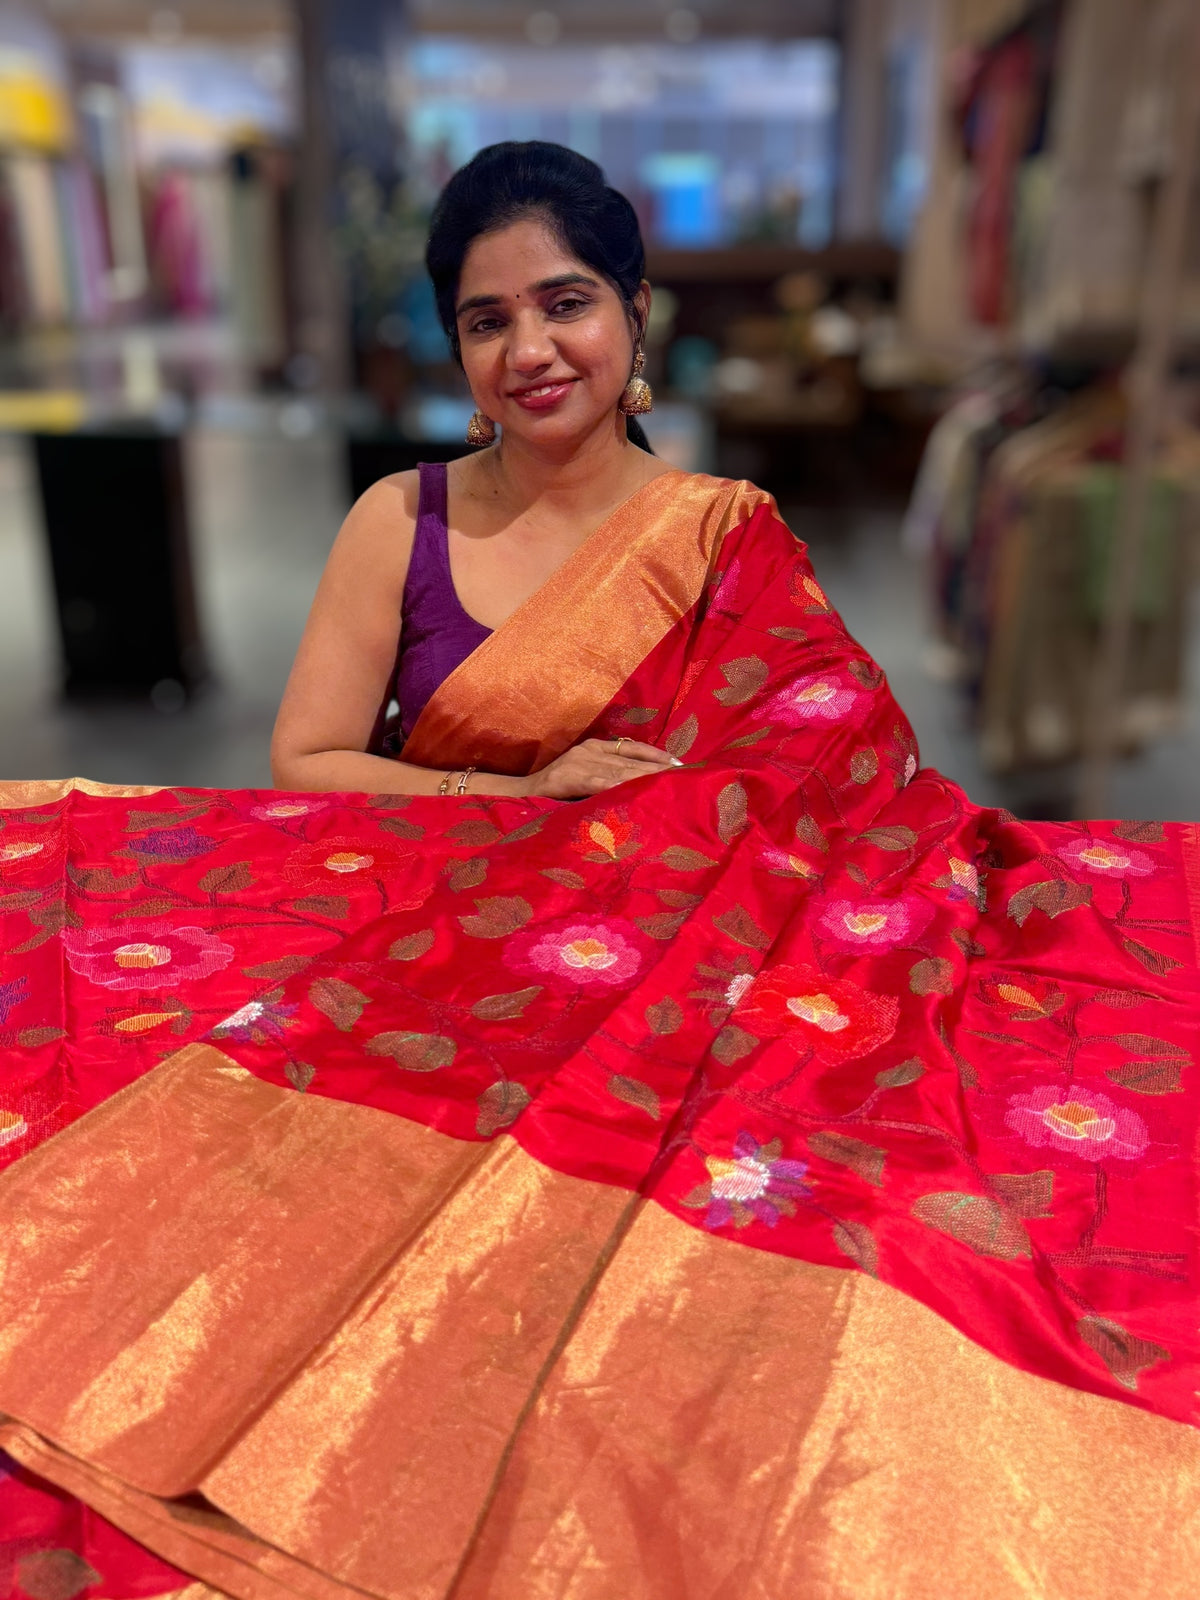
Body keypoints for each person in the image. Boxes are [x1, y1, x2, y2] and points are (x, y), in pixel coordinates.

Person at [0, 143, 1198, 1599]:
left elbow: (834, 775)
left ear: (636, 313)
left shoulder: (722, 538)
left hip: (685, 971)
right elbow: (309, 766)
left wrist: (668, 853)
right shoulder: (406, 521)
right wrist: (513, 795)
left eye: (562, 302)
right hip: (450, 950)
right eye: (484, 319)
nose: (529, 348)